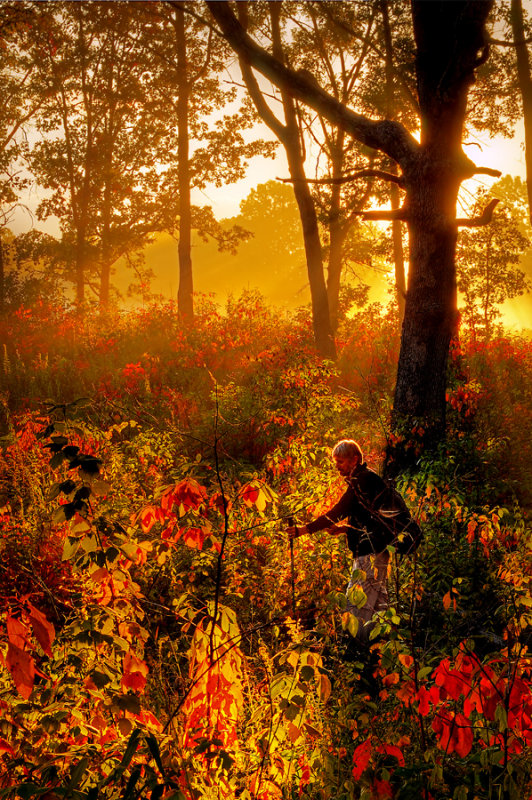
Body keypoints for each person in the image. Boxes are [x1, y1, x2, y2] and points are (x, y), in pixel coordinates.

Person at [287, 439, 399, 648]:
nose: (337, 465)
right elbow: (369, 519)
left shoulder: (362, 481)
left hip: (370, 555)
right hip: (378, 552)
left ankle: (356, 652)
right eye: (336, 461)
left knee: (356, 605)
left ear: (354, 460)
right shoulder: (366, 480)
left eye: (340, 461)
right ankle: (380, 654)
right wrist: (345, 529)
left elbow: (337, 512)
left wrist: (304, 530)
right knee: (378, 607)